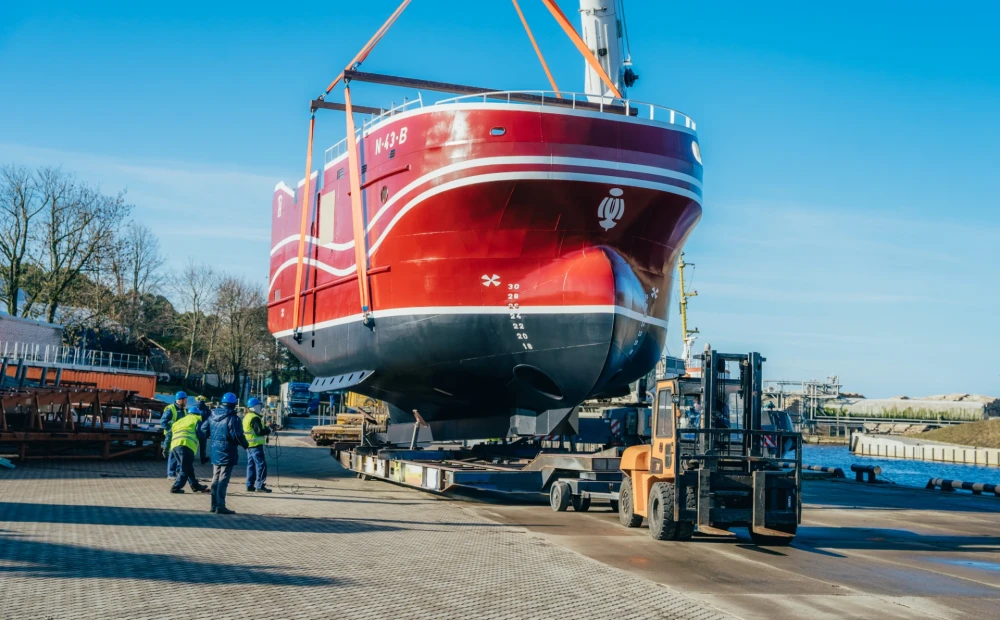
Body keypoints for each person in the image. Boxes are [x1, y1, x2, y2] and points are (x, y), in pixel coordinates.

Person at [203, 392, 248, 515]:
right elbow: (237, 435)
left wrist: (212, 438)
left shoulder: (212, 415)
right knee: (223, 479)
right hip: (228, 450)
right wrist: (246, 445)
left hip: (215, 449)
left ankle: (213, 505)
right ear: (234, 404)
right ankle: (220, 506)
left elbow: (203, 429)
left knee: (215, 477)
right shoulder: (233, 418)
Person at [169, 405, 210, 495]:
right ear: (198, 414)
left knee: (188, 468)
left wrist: (165, 448)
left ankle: (195, 486)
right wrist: (203, 457)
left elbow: (169, 433)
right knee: (185, 469)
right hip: (186, 446)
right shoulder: (197, 420)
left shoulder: (179, 421)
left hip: (175, 446)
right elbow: (202, 437)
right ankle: (176, 487)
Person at [243, 397, 275, 493]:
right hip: (256, 446)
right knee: (261, 465)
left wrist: (268, 427)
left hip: (249, 445)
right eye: (258, 405)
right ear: (254, 407)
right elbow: (259, 432)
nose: (260, 407)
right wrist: (269, 430)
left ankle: (249, 485)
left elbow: (255, 429)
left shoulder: (247, 417)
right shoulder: (255, 417)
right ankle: (260, 485)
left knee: (251, 465)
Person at [160, 391, 188, 479]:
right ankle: (171, 474)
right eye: (185, 400)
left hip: (180, 435)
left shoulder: (183, 410)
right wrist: (171, 430)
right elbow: (163, 422)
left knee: (180, 454)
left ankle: (178, 472)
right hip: (172, 435)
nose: (186, 401)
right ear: (179, 400)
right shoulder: (170, 409)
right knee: (173, 454)